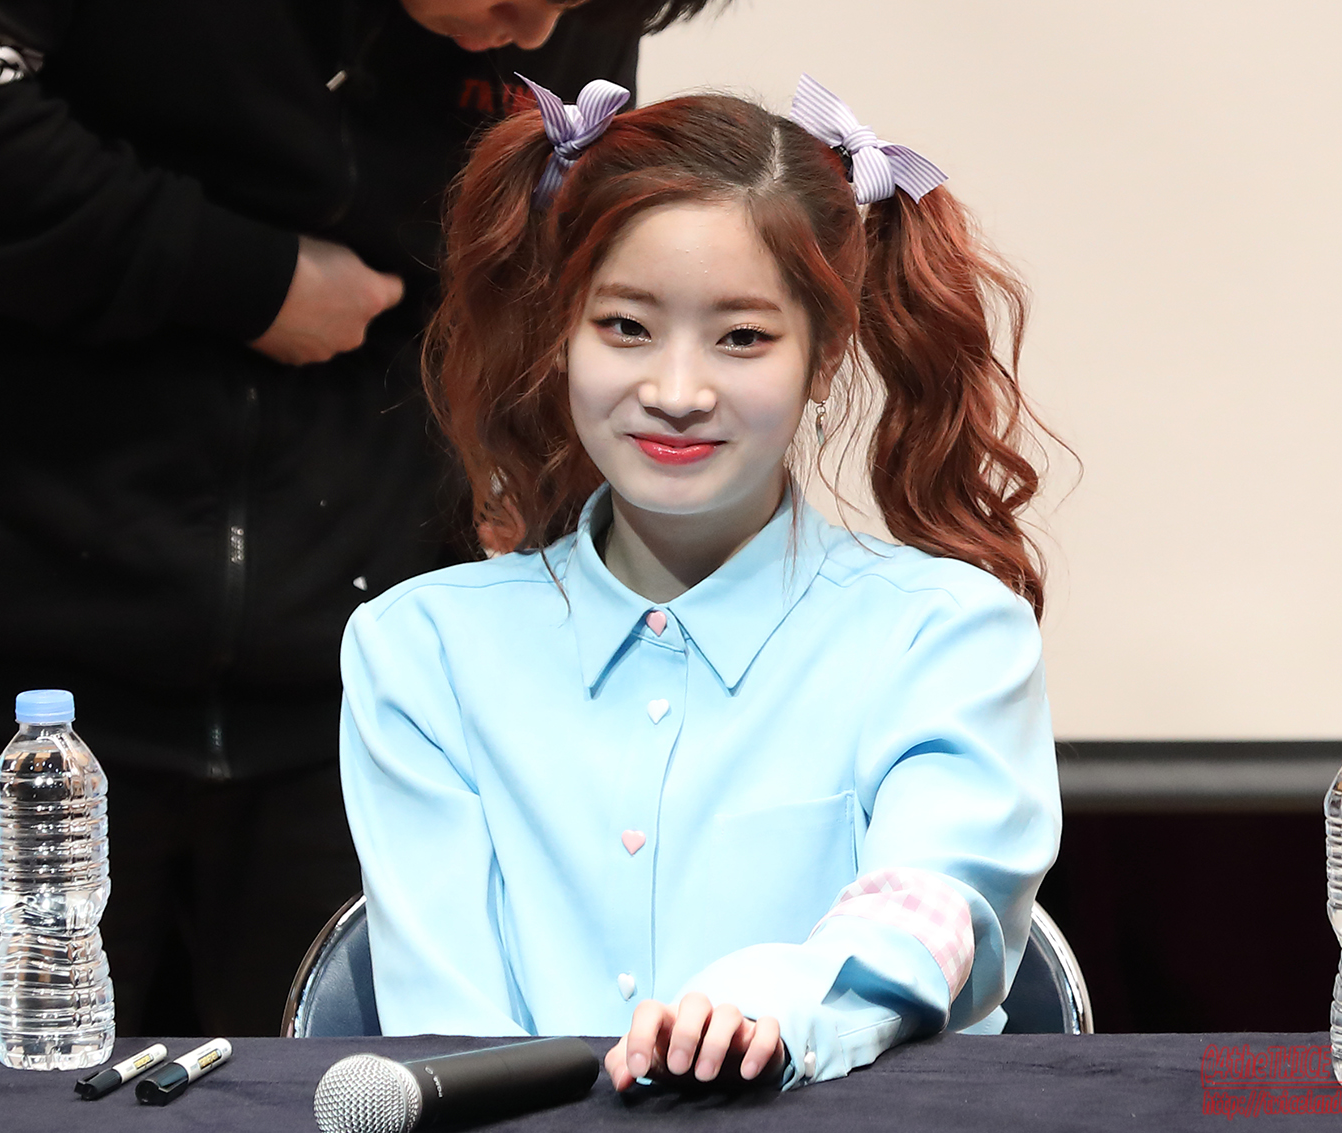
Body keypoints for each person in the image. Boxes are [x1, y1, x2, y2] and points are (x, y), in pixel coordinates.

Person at [0, 0, 721, 1038]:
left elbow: (536, 265)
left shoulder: (557, 22)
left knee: (338, 1085)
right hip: (4, 679)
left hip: (353, 701)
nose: (536, 34)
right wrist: (245, 280)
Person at [339, 74, 1062, 1090]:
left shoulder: (947, 635)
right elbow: (445, 1033)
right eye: (625, 327)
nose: (675, 391)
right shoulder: (417, 650)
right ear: (561, 333)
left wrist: (773, 1004)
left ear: (825, 359)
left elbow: (936, 909)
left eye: (741, 338)